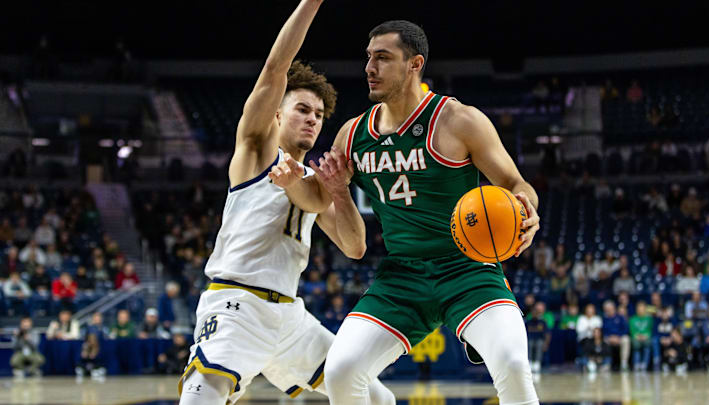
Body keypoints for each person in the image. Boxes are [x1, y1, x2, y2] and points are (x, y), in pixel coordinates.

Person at [274, 20, 540, 404]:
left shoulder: (458, 120)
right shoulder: (352, 135)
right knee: (341, 370)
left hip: (467, 270)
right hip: (402, 277)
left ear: (415, 64)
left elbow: (517, 184)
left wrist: (527, 209)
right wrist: (291, 177)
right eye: (368, 58)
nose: (369, 68)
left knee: (513, 365)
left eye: (382, 58)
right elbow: (318, 200)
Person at [178, 2, 393, 405]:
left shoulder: (315, 182)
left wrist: (341, 191)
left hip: (290, 318)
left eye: (318, 114)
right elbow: (276, 68)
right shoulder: (256, 150)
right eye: (302, 110)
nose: (313, 119)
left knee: (377, 398)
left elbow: (355, 246)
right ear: (276, 115)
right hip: (236, 304)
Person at [629, 301, 653, 371]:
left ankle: (645, 363)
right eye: (639, 308)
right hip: (636, 337)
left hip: (646, 337)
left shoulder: (649, 319)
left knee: (647, 344)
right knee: (636, 345)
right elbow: (632, 330)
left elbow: (650, 329)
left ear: (645, 309)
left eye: (642, 308)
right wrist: (637, 336)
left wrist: (646, 336)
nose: (640, 309)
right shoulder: (632, 319)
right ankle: (636, 363)